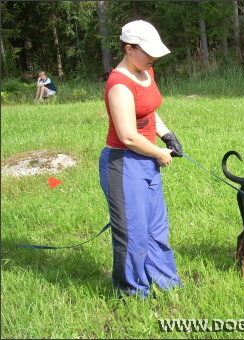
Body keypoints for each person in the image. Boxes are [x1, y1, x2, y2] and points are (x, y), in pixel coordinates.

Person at [99, 20, 184, 299]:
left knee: (157, 228)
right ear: (128, 48)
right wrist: (159, 152)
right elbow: (128, 136)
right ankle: (133, 293)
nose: (153, 58)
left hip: (146, 159)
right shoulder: (119, 83)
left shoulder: (146, 71)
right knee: (133, 235)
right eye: (148, 53)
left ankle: (166, 283)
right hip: (124, 163)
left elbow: (148, 110)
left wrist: (166, 134)